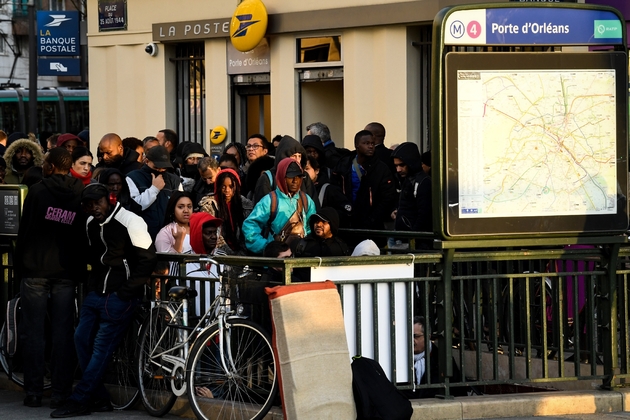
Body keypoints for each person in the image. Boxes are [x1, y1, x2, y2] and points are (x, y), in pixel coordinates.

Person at [50, 183, 156, 418]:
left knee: (100, 348)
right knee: (81, 339)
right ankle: (97, 397)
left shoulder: (131, 221)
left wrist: (126, 291)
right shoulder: (90, 223)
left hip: (120, 295)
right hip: (97, 292)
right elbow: (94, 258)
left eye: (98, 202)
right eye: (89, 204)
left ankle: (81, 398)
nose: (94, 208)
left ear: (110, 200)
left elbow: (147, 259)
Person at [15, 147, 87, 409]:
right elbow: (82, 232)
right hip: (66, 271)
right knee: (63, 333)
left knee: (33, 333)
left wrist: (19, 266)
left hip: (36, 269)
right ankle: (61, 392)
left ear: (50, 165)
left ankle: (33, 391)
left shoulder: (37, 191)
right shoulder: (79, 191)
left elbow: (25, 231)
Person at [333, 130, 396, 246]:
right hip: (347, 223)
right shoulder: (344, 164)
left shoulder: (381, 169)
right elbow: (335, 191)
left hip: (371, 227)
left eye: (372, 143)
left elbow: (388, 197)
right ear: (357, 145)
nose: (371, 146)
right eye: (366, 143)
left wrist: (373, 218)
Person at [243, 158, 316, 255]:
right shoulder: (269, 201)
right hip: (275, 262)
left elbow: (312, 229)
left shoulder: (306, 200)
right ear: (282, 177)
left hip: (301, 258)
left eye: (299, 176)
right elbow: (250, 226)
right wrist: (267, 247)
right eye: (291, 176)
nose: (295, 181)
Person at [126, 145, 183, 239]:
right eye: (156, 167)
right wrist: (154, 189)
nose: (160, 170)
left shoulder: (174, 181)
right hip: (142, 235)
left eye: (164, 167)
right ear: (146, 161)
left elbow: (181, 206)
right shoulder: (132, 178)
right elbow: (133, 206)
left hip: (170, 236)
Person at [402, 316, 466, 399]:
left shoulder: (442, 359)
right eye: (408, 335)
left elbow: (458, 390)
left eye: (415, 336)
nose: (410, 340)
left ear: (428, 336)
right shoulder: (399, 359)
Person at [199, 168, 253, 254]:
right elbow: (212, 235)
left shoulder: (245, 204)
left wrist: (242, 253)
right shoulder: (210, 205)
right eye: (223, 186)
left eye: (231, 186)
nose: (227, 190)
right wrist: (229, 254)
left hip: (243, 252)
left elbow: (249, 230)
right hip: (218, 253)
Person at [252, 135, 316, 205]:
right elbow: (262, 210)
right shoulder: (267, 178)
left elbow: (313, 205)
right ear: (283, 157)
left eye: (299, 156)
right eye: (294, 156)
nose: (297, 160)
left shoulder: (304, 177)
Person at [390, 143, 432, 240]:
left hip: (414, 239)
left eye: (402, 165)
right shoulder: (408, 180)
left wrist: (414, 236)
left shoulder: (422, 182)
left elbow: (424, 215)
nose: (398, 169)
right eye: (396, 166)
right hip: (407, 235)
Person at [155, 191, 194, 276]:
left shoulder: (198, 229)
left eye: (189, 206)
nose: (186, 210)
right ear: (173, 209)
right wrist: (179, 241)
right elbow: (167, 265)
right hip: (178, 281)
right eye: (181, 207)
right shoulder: (165, 233)